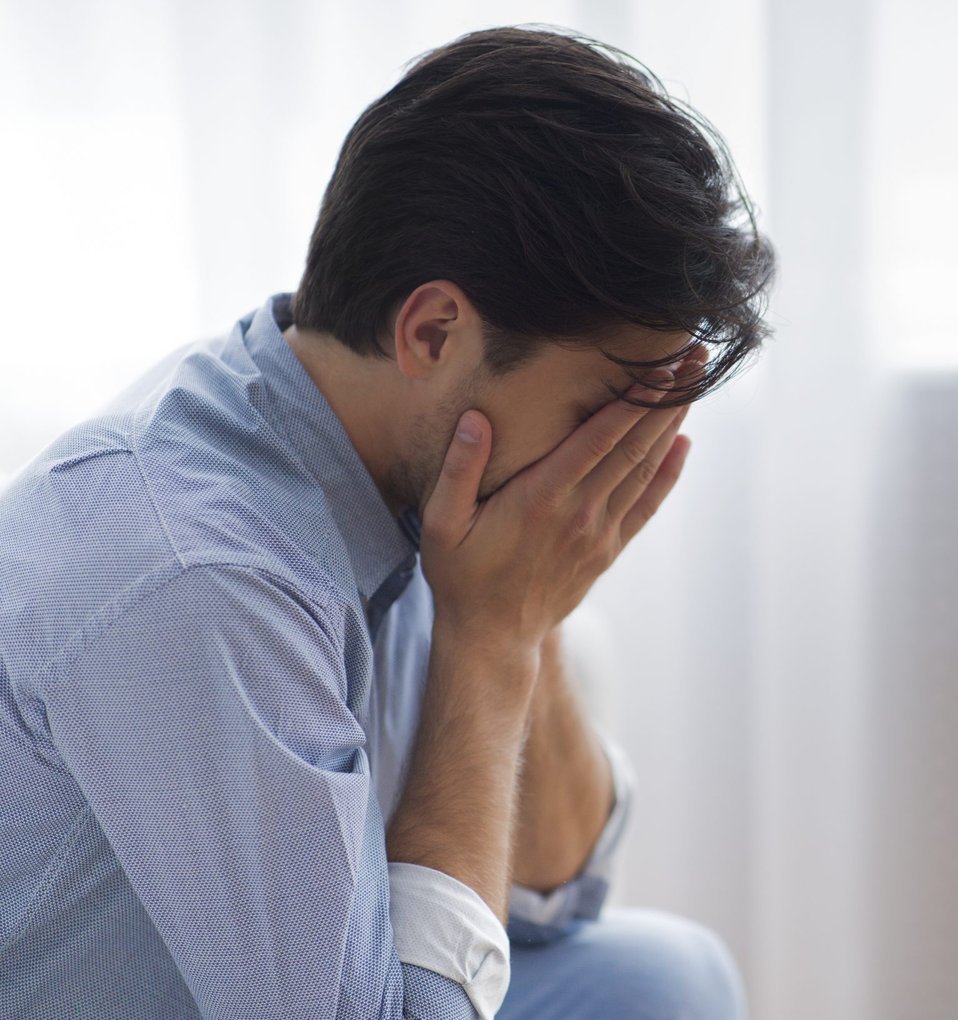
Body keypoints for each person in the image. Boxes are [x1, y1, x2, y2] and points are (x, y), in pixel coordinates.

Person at [0, 23, 774, 1020]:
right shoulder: (200, 573)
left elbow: (550, 895)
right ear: (434, 331)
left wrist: (519, 622)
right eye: (596, 414)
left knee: (663, 975)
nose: (611, 465)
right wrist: (491, 643)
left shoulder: (384, 450)